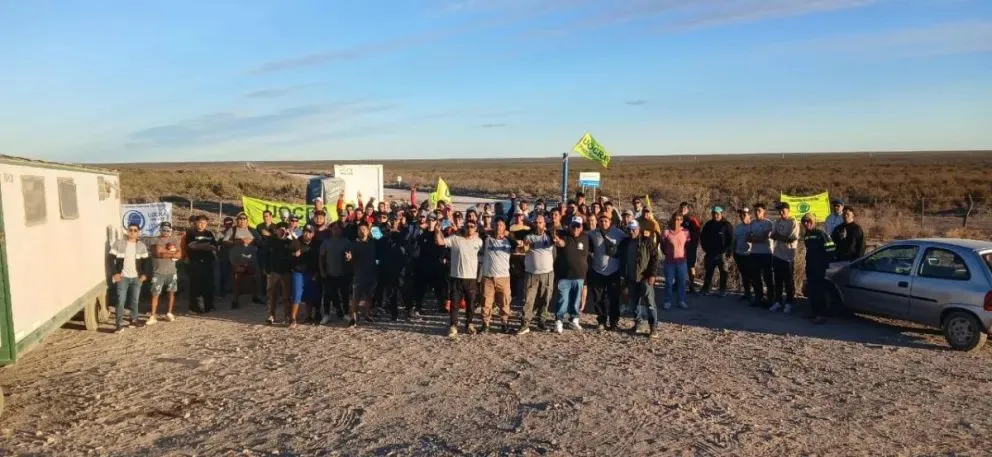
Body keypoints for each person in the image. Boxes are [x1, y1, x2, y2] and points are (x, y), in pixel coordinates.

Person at [435, 217, 483, 339]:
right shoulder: (455, 239)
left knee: (471, 304)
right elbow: (440, 242)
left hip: (471, 278)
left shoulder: (479, 241)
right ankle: (453, 326)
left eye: (472, 226)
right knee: (454, 304)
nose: (469, 228)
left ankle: (469, 324)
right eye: (467, 226)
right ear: (464, 227)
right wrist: (437, 231)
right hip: (456, 277)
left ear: (476, 228)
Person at [619, 220, 661, 338]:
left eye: (634, 229)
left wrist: (652, 274)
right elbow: (622, 260)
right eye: (629, 229)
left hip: (645, 277)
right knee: (634, 302)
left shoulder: (646, 241)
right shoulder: (625, 243)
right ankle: (637, 323)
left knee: (649, 302)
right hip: (631, 277)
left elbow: (655, 258)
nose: (632, 232)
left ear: (639, 229)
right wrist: (623, 276)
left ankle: (653, 327)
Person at [517, 215, 555, 335]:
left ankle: (541, 322)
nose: (538, 225)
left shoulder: (550, 236)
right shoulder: (528, 237)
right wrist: (524, 247)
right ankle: (525, 324)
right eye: (536, 223)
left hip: (547, 273)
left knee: (545, 299)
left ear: (544, 224)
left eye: (540, 222)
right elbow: (523, 250)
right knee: (528, 299)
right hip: (532, 273)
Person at [587, 212, 625, 331]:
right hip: (597, 270)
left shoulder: (619, 234)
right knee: (598, 298)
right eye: (601, 221)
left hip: (614, 271)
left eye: (606, 221)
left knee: (614, 298)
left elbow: (630, 241)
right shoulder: (593, 234)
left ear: (611, 222)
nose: (603, 223)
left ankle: (614, 321)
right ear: (598, 222)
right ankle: (601, 321)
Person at [551, 216, 589, 334]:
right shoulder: (564, 235)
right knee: (563, 299)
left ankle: (574, 319)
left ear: (582, 227)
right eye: (574, 226)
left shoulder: (586, 237)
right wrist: (557, 240)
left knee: (576, 300)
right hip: (565, 276)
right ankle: (559, 321)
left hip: (580, 276)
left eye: (578, 226)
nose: (575, 228)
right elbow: (561, 243)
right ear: (570, 225)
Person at [110, 222, 150, 331]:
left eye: (135, 230)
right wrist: (115, 273)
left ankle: (134, 320)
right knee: (120, 300)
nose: (132, 232)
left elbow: (146, 261)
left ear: (138, 233)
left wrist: (144, 275)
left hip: (136, 278)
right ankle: (119, 324)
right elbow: (110, 259)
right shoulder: (119, 243)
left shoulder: (141, 246)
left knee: (135, 301)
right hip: (123, 277)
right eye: (130, 230)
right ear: (127, 231)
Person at [479, 219, 515, 333]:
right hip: (488, 276)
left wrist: (508, 234)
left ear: (505, 228)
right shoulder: (486, 239)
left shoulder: (509, 241)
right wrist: (489, 230)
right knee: (486, 301)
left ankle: (504, 323)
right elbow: (479, 230)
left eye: (501, 225)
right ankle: (486, 324)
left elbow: (518, 244)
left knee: (504, 301)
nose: (499, 227)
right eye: (497, 224)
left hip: (503, 277)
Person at [802, 213, 836, 324]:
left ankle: (821, 315)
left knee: (819, 291)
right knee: (812, 290)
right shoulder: (806, 235)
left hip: (819, 267)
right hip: (810, 265)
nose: (806, 224)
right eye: (804, 222)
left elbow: (831, 250)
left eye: (808, 221)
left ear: (813, 221)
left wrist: (824, 262)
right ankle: (815, 313)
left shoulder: (821, 234)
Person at [769, 203, 800, 314]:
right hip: (777, 254)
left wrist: (779, 236)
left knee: (788, 281)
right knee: (778, 280)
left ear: (788, 210)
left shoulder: (793, 222)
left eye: (783, 210)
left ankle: (789, 302)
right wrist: (781, 237)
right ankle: (777, 301)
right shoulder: (777, 222)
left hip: (788, 256)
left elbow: (791, 239)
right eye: (780, 210)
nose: (781, 212)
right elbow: (772, 235)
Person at [345, 222, 377, 327]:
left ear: (368, 231)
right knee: (356, 297)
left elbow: (382, 236)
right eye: (360, 230)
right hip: (359, 274)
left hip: (371, 273)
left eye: (364, 229)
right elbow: (348, 256)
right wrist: (348, 257)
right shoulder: (354, 243)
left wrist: (373, 227)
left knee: (369, 296)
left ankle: (367, 314)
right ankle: (353, 318)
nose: (362, 231)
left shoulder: (373, 242)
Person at [148, 221, 181, 325]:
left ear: (171, 231)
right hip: (158, 272)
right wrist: (172, 253)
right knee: (155, 293)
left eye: (168, 230)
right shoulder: (154, 239)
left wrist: (164, 252)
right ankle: (153, 315)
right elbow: (157, 252)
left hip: (172, 272)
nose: (166, 232)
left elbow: (179, 255)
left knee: (171, 292)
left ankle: (169, 313)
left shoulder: (175, 240)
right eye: (163, 230)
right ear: (160, 230)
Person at [185, 215, 219, 313]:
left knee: (208, 285)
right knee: (195, 285)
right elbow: (191, 246)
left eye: (204, 223)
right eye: (200, 222)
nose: (202, 224)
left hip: (208, 262)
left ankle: (209, 306)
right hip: (195, 263)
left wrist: (200, 246)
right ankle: (194, 307)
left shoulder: (209, 233)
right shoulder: (191, 233)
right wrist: (205, 246)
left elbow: (214, 246)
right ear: (196, 223)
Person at [289, 226, 320, 328]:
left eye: (309, 232)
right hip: (298, 272)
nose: (307, 234)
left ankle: (308, 316)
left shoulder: (316, 243)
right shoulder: (297, 241)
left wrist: (317, 272)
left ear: (313, 234)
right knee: (297, 295)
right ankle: (293, 318)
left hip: (311, 272)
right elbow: (291, 252)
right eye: (305, 232)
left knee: (309, 295)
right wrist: (294, 253)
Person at [700, 206, 734, 296]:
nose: (715, 215)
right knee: (709, 271)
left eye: (717, 214)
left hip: (722, 253)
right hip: (710, 252)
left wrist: (729, 251)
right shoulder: (708, 224)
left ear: (721, 214)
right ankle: (706, 288)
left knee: (723, 272)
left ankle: (722, 290)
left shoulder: (726, 225)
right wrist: (705, 248)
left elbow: (731, 239)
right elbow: (703, 237)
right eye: (713, 213)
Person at [747, 203, 775, 308]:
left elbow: (764, 238)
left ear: (764, 212)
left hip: (766, 253)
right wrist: (756, 238)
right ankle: (758, 297)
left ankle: (770, 298)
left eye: (759, 210)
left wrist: (755, 238)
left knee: (767, 277)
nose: (756, 212)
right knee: (755, 277)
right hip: (754, 253)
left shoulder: (769, 223)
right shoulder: (752, 223)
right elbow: (748, 238)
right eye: (755, 210)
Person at [264, 223, 293, 325]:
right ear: (276, 230)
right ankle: (271, 315)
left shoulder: (289, 241)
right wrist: (267, 269)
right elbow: (266, 255)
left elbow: (295, 248)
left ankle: (287, 316)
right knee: (272, 294)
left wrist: (288, 237)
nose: (281, 232)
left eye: (283, 230)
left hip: (286, 272)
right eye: (279, 230)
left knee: (286, 296)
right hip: (274, 271)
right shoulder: (271, 241)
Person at [661, 212, 690, 310]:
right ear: (672, 219)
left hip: (682, 262)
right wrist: (668, 253)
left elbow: (687, 246)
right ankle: (667, 301)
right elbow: (663, 246)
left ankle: (681, 300)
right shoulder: (666, 232)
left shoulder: (686, 232)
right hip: (669, 262)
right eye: (675, 219)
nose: (676, 221)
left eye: (679, 219)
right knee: (668, 282)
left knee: (681, 282)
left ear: (682, 221)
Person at [229, 231, 259, 309]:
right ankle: (235, 300)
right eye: (242, 239)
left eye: (248, 239)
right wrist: (237, 266)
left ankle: (255, 297)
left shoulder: (253, 249)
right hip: (238, 267)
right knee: (236, 279)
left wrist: (248, 265)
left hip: (249, 266)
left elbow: (254, 260)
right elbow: (232, 260)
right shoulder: (235, 248)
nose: (245, 240)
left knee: (255, 277)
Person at [679, 202, 702, 294]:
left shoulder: (692, 219)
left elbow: (697, 233)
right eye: (681, 208)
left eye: (684, 208)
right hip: (679, 247)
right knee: (678, 265)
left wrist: (691, 242)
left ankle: (691, 285)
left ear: (688, 209)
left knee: (690, 265)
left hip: (690, 247)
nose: (682, 210)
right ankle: (678, 284)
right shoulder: (677, 218)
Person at [733, 208, 755, 301]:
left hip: (750, 254)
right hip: (739, 254)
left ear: (750, 215)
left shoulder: (753, 226)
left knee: (753, 275)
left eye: (744, 214)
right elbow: (734, 240)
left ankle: (756, 294)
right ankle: (747, 293)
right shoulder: (738, 227)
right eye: (740, 215)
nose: (742, 216)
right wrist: (733, 252)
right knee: (744, 275)